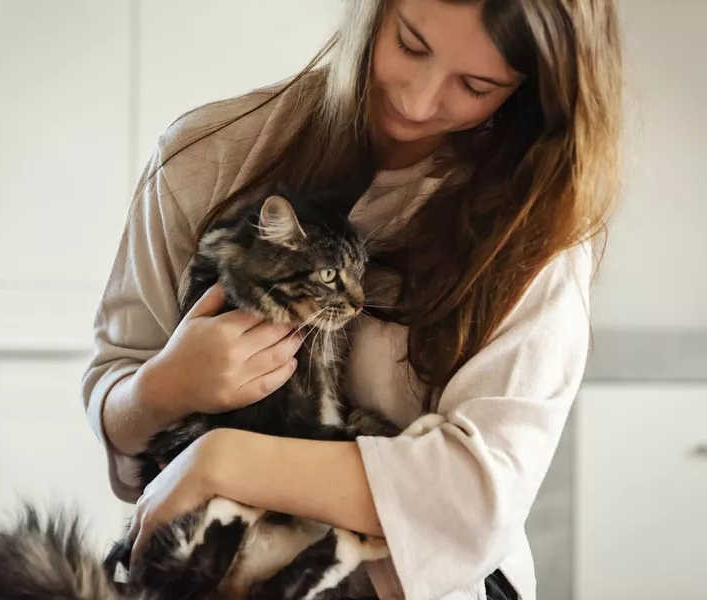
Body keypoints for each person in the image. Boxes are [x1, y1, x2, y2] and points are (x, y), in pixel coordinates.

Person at [81, 1, 623, 598]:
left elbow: (479, 495)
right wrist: (165, 388)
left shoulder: (536, 226)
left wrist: (221, 460)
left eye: (475, 85)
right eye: (410, 44)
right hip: (218, 567)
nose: (418, 102)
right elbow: (118, 395)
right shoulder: (204, 156)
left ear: (529, 89)